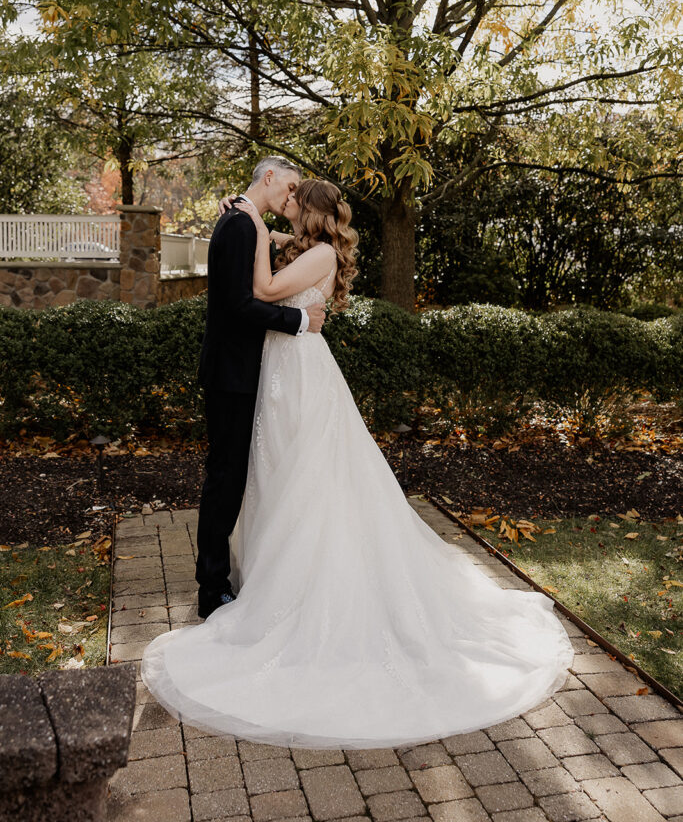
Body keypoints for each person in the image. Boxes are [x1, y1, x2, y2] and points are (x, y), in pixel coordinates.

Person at [141, 178, 574, 749]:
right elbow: (261, 237)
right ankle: (265, 575)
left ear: (314, 213)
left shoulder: (317, 253)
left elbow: (264, 289)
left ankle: (300, 586)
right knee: (277, 478)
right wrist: (242, 213)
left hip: (299, 376)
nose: (288, 202)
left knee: (309, 480)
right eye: (286, 194)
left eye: (297, 199)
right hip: (281, 373)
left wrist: (249, 227)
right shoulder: (299, 243)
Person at [194, 157, 326, 621]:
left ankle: (221, 576)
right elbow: (238, 306)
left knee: (233, 477)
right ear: (268, 177)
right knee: (225, 479)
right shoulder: (240, 224)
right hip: (232, 373)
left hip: (242, 371)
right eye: (289, 187)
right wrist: (299, 320)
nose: (292, 197)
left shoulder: (247, 221)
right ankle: (211, 590)